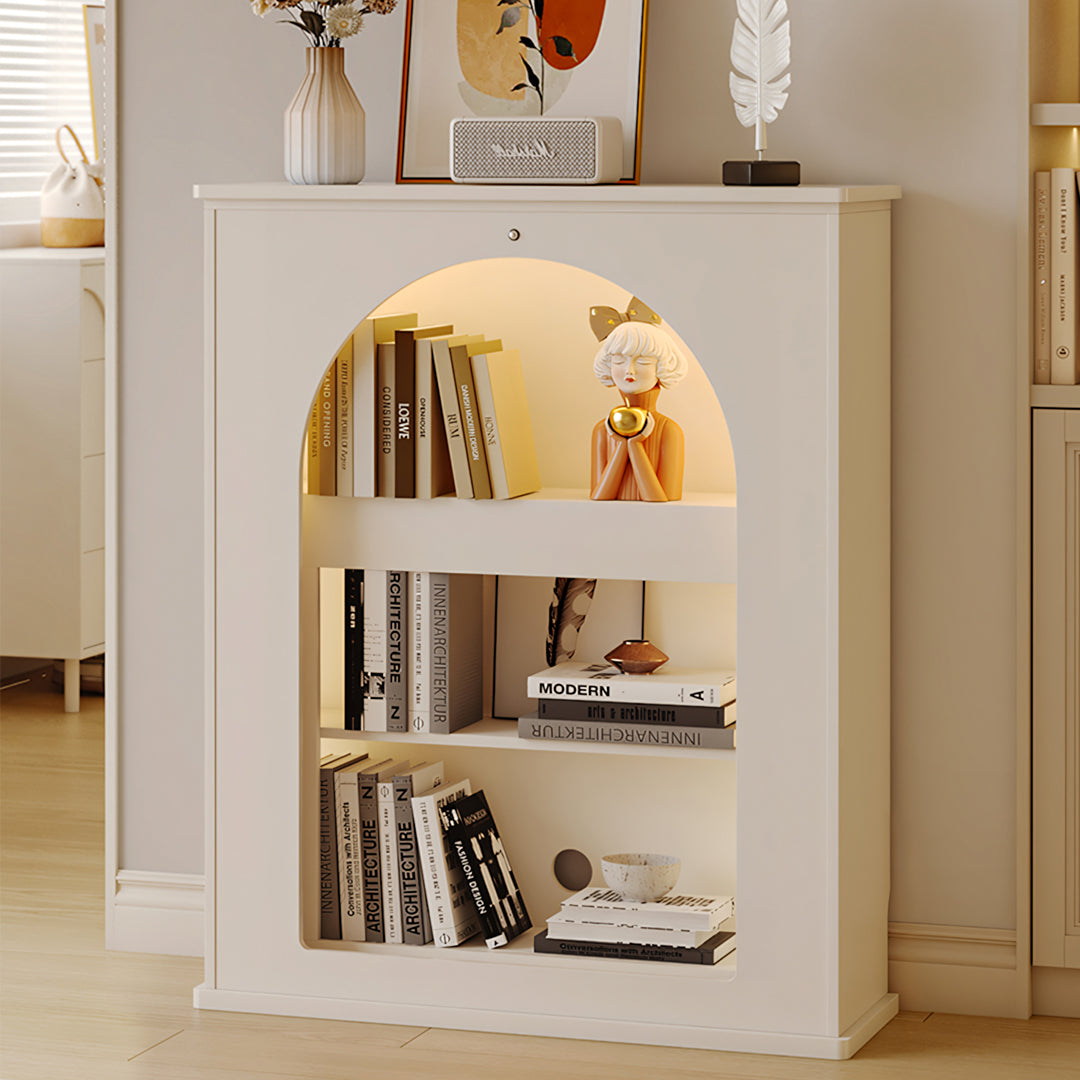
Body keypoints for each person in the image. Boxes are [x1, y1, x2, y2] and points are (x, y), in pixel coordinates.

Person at [590, 320, 687, 502]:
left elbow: (660, 498)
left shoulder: (669, 431)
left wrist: (635, 445)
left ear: (662, 367)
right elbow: (599, 497)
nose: (629, 370)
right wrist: (621, 444)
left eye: (643, 362)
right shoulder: (602, 430)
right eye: (619, 360)